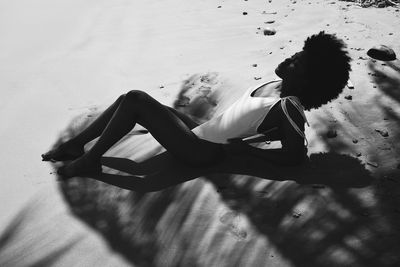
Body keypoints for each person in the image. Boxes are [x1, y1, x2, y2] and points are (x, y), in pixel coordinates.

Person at [42, 31, 351, 183]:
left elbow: (296, 156)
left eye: (299, 61)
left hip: (202, 151)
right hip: (203, 132)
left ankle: (90, 161)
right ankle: (76, 144)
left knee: (137, 99)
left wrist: (249, 152)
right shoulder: (277, 88)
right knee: (128, 99)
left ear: (309, 80)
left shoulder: (290, 106)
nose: (291, 58)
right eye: (297, 53)